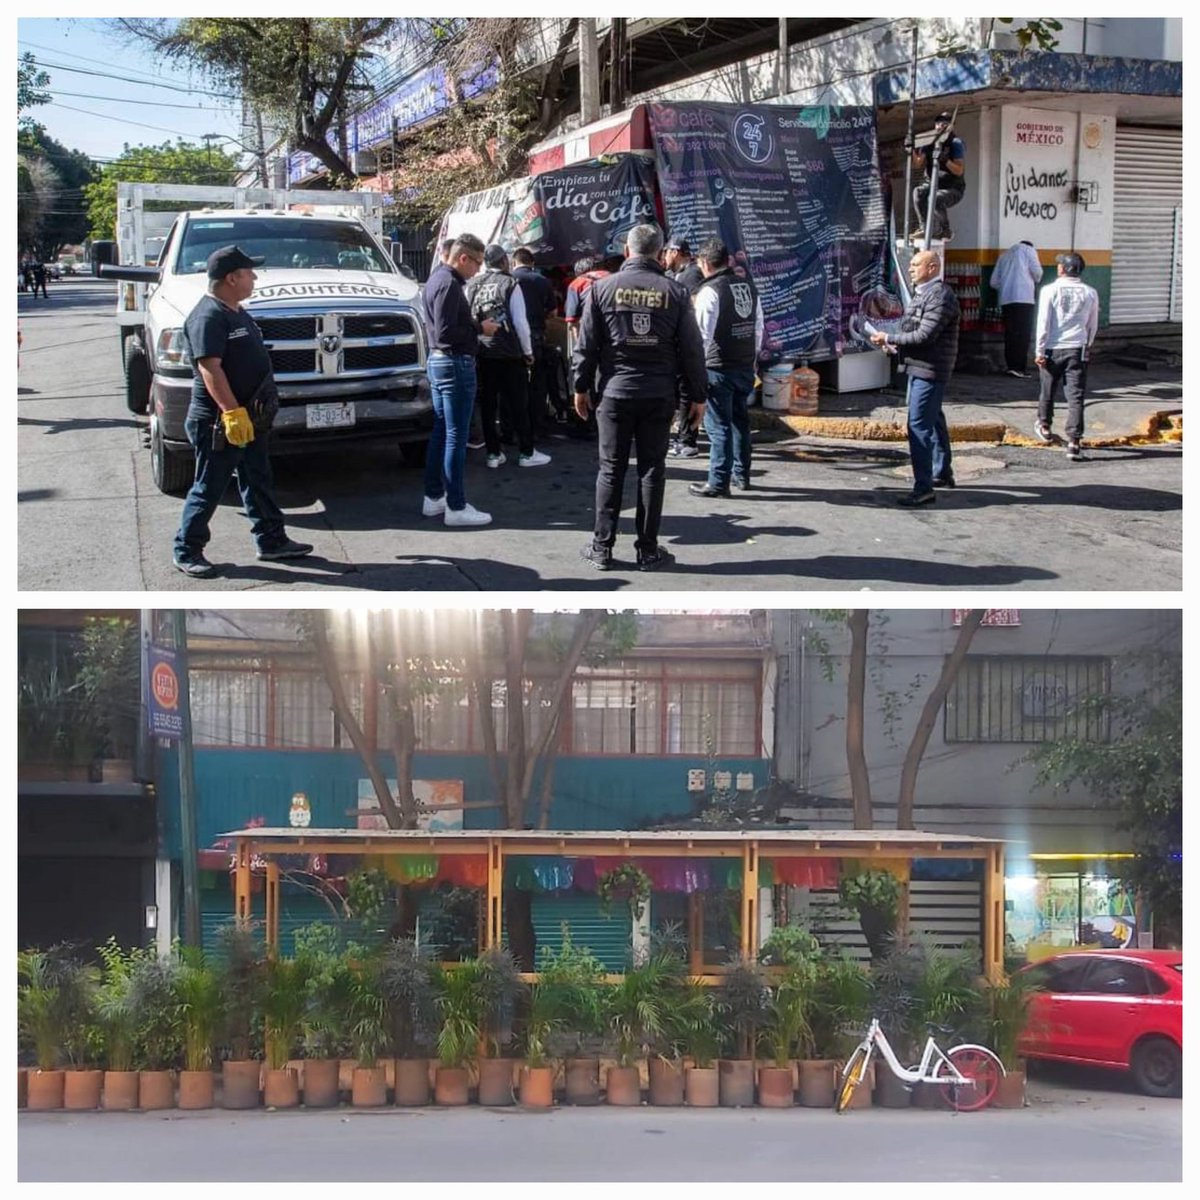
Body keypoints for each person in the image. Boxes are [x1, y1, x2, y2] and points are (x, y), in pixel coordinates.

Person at [172, 245, 313, 578]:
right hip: (220, 421)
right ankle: (186, 549)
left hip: (250, 417)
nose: (255, 278)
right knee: (209, 486)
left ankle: (272, 541)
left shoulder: (235, 310)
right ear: (232, 277)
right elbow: (210, 368)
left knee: (257, 478)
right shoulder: (208, 316)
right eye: (249, 273)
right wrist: (231, 412)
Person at [573, 223, 707, 571]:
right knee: (652, 471)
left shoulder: (602, 289)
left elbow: (586, 346)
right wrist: (698, 395)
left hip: (615, 393)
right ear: (660, 252)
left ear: (628, 249)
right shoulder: (675, 293)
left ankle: (602, 548)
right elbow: (692, 350)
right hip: (658, 394)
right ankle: (647, 550)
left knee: (611, 471)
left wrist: (580, 387)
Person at [421, 232, 500, 527]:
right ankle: (455, 505)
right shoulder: (448, 284)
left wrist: (475, 327)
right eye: (477, 263)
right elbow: (445, 333)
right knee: (456, 435)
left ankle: (434, 497)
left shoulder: (438, 280)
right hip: (453, 363)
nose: (479, 269)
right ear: (463, 258)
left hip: (441, 362)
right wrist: (479, 329)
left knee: (443, 431)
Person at [870, 249, 960, 505]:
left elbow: (924, 335)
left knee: (918, 426)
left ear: (932, 268)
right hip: (919, 365)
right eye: (910, 265)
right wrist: (894, 345)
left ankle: (924, 487)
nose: (910, 269)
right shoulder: (925, 294)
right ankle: (942, 471)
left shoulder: (940, 296)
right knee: (934, 419)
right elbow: (912, 331)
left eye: (915, 265)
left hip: (930, 368)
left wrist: (890, 338)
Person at [688, 238, 763, 497]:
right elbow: (758, 328)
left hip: (718, 368)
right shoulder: (749, 287)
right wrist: (751, 361)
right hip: (744, 365)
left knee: (718, 425)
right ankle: (741, 475)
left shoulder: (711, 291)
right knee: (740, 421)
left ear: (706, 263)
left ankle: (718, 482)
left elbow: (702, 337)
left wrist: (696, 370)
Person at [465, 243, 551, 470]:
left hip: (483, 352)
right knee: (518, 404)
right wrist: (528, 352)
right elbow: (521, 323)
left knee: (488, 404)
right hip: (509, 352)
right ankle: (526, 452)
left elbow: (468, 318)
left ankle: (493, 453)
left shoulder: (472, 284)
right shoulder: (511, 283)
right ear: (504, 261)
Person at [1034, 252, 1099, 461]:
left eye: (1060, 265)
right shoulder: (1090, 293)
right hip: (1077, 348)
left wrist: (1039, 350)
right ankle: (1074, 442)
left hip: (1053, 347)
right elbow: (1092, 324)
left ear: (1063, 269)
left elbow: (1043, 322)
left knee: (1048, 389)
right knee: (1076, 396)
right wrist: (1086, 345)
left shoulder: (1049, 290)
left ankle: (1044, 425)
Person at [511, 246, 558, 433]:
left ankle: (514, 427)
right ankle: (536, 426)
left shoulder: (509, 280)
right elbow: (553, 312)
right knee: (538, 384)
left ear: (514, 262)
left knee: (514, 385)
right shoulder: (542, 281)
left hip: (513, 340)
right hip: (536, 337)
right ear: (532, 263)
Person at [909, 111, 965, 242]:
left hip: (953, 188)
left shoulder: (955, 143)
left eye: (945, 123)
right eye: (939, 122)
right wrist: (911, 149)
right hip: (931, 183)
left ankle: (945, 230)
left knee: (936, 197)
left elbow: (959, 170)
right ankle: (923, 227)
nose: (941, 125)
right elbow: (917, 164)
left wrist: (945, 160)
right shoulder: (929, 142)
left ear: (951, 126)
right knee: (918, 192)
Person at [991, 240, 1042, 377]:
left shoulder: (1004, 255)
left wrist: (1006, 286)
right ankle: (1020, 368)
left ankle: (1011, 366)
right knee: (1023, 334)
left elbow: (994, 282)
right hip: (1024, 298)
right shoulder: (1029, 250)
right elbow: (1038, 274)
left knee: (1010, 333)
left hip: (1006, 299)